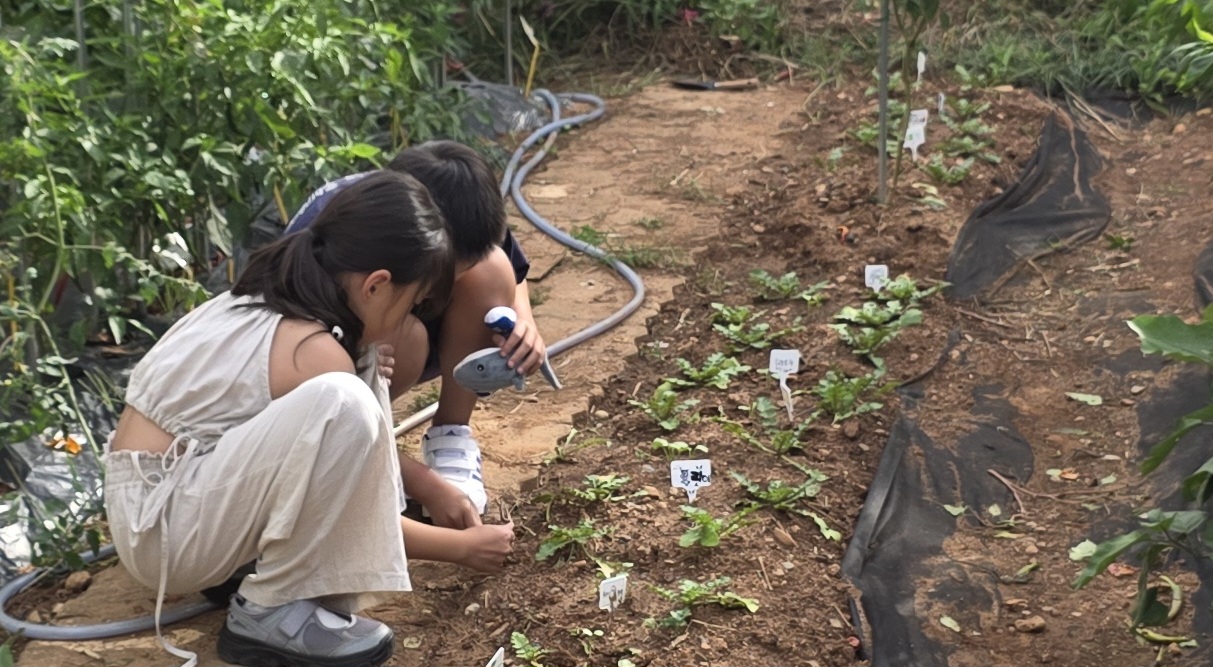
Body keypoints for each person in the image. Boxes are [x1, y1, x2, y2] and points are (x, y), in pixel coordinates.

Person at [104, 171, 515, 667]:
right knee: (347, 402)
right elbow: (360, 508)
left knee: (356, 388)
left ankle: (249, 567)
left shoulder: (280, 292)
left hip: (165, 506)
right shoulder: (313, 351)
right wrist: (462, 548)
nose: (411, 316)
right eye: (414, 302)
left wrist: (430, 486)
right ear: (376, 285)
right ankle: (269, 610)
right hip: (166, 533)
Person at [285, 140, 548, 519]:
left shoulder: (459, 207)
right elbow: (301, 379)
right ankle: (358, 454)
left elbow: (508, 264)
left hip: (387, 324)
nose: (444, 288)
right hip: (327, 363)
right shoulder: (333, 241)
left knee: (491, 269)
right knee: (406, 342)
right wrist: (426, 487)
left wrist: (523, 321)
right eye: (445, 274)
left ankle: (451, 436)